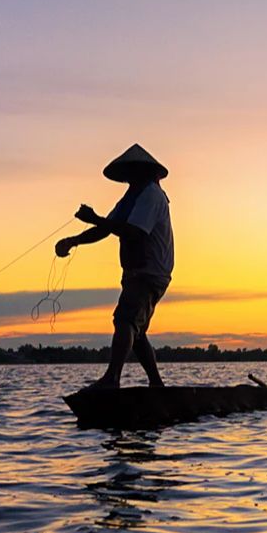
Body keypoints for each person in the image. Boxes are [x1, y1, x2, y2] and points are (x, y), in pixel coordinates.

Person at [56, 144, 174, 390]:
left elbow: (134, 233)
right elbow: (107, 228)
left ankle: (112, 379)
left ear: (141, 171)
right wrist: (74, 241)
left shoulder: (151, 195)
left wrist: (95, 218)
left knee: (124, 320)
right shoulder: (132, 197)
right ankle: (157, 386)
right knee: (136, 330)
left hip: (149, 273)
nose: (128, 178)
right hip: (137, 273)